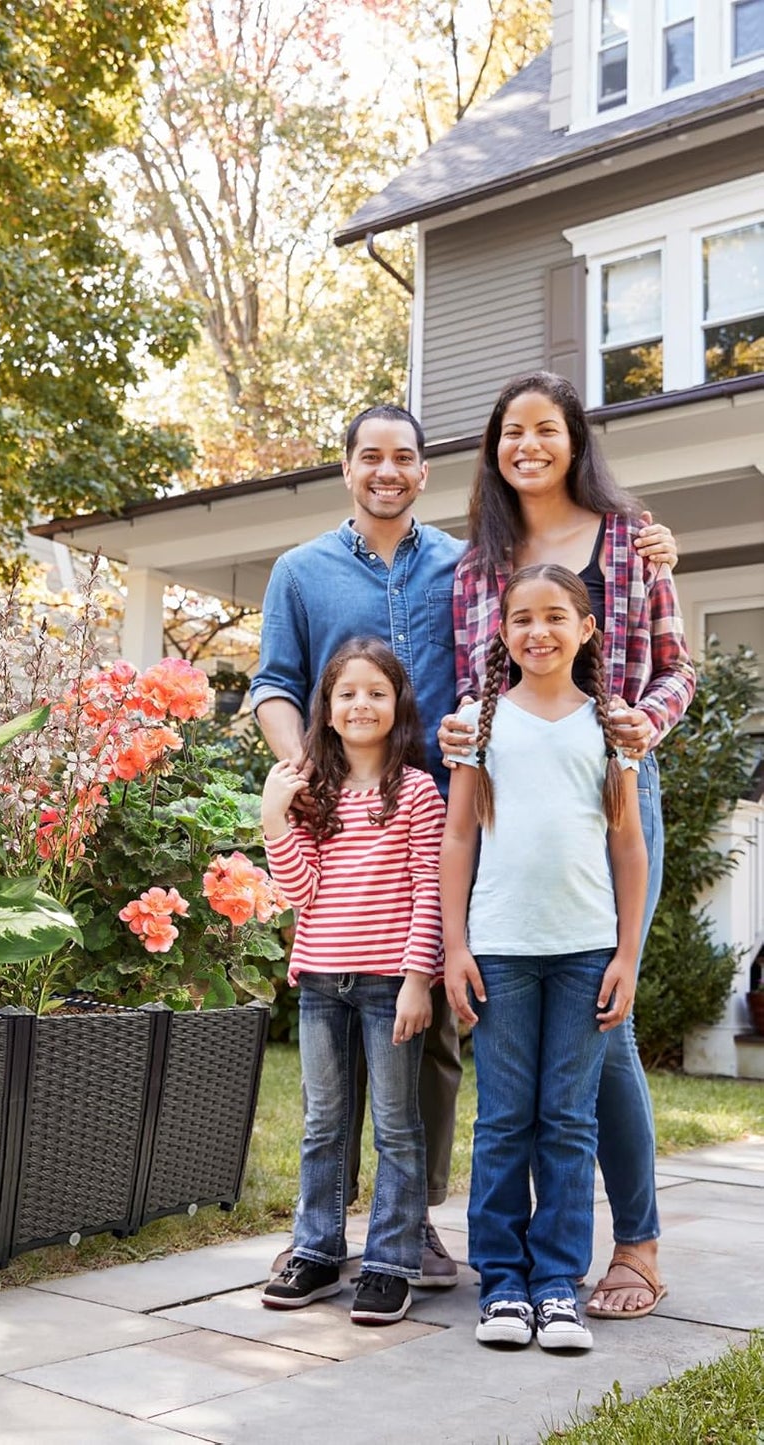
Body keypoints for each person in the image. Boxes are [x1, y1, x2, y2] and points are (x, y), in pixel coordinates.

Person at [252, 400, 677, 1290]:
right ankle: (375, 1232)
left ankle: (616, 1242)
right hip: (421, 814)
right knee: (435, 1015)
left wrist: (639, 717)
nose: (385, 470)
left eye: (403, 455)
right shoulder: (408, 564)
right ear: (344, 465)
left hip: (545, 792)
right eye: (368, 455)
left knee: (576, 1020)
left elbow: (658, 662)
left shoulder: (556, 549)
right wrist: (315, 781)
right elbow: (282, 685)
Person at [443, 372, 694, 1321]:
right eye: (511, 432)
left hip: (615, 782)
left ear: (573, 439)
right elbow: (472, 689)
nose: (528, 446)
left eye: (545, 430)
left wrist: (639, 726)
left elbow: (676, 668)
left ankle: (635, 1243)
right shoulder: (476, 565)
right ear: (493, 448)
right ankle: (523, 1262)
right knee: (522, 1087)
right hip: (510, 798)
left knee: (607, 1012)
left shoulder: (631, 538)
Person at [441, 565, 647, 1351]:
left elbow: (626, 845)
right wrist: (456, 946)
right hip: (499, 950)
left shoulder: (610, 727)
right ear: (501, 632)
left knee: (566, 1120)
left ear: (587, 628)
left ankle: (557, 1282)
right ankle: (500, 1281)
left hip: (584, 950)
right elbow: (458, 837)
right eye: (521, 618)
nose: (538, 631)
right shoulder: (478, 723)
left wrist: (627, 952)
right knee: (501, 1120)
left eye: (555, 616)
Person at [260, 637, 444, 1326]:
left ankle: (390, 1261)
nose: (361, 703)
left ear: (396, 705)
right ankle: (315, 1249)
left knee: (395, 1126)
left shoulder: (417, 791)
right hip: (318, 981)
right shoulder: (312, 792)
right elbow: (299, 890)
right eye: (347, 693)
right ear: (327, 710)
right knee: (321, 1125)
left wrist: (415, 978)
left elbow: (428, 888)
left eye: (375, 691)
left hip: (386, 982)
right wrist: (273, 815)